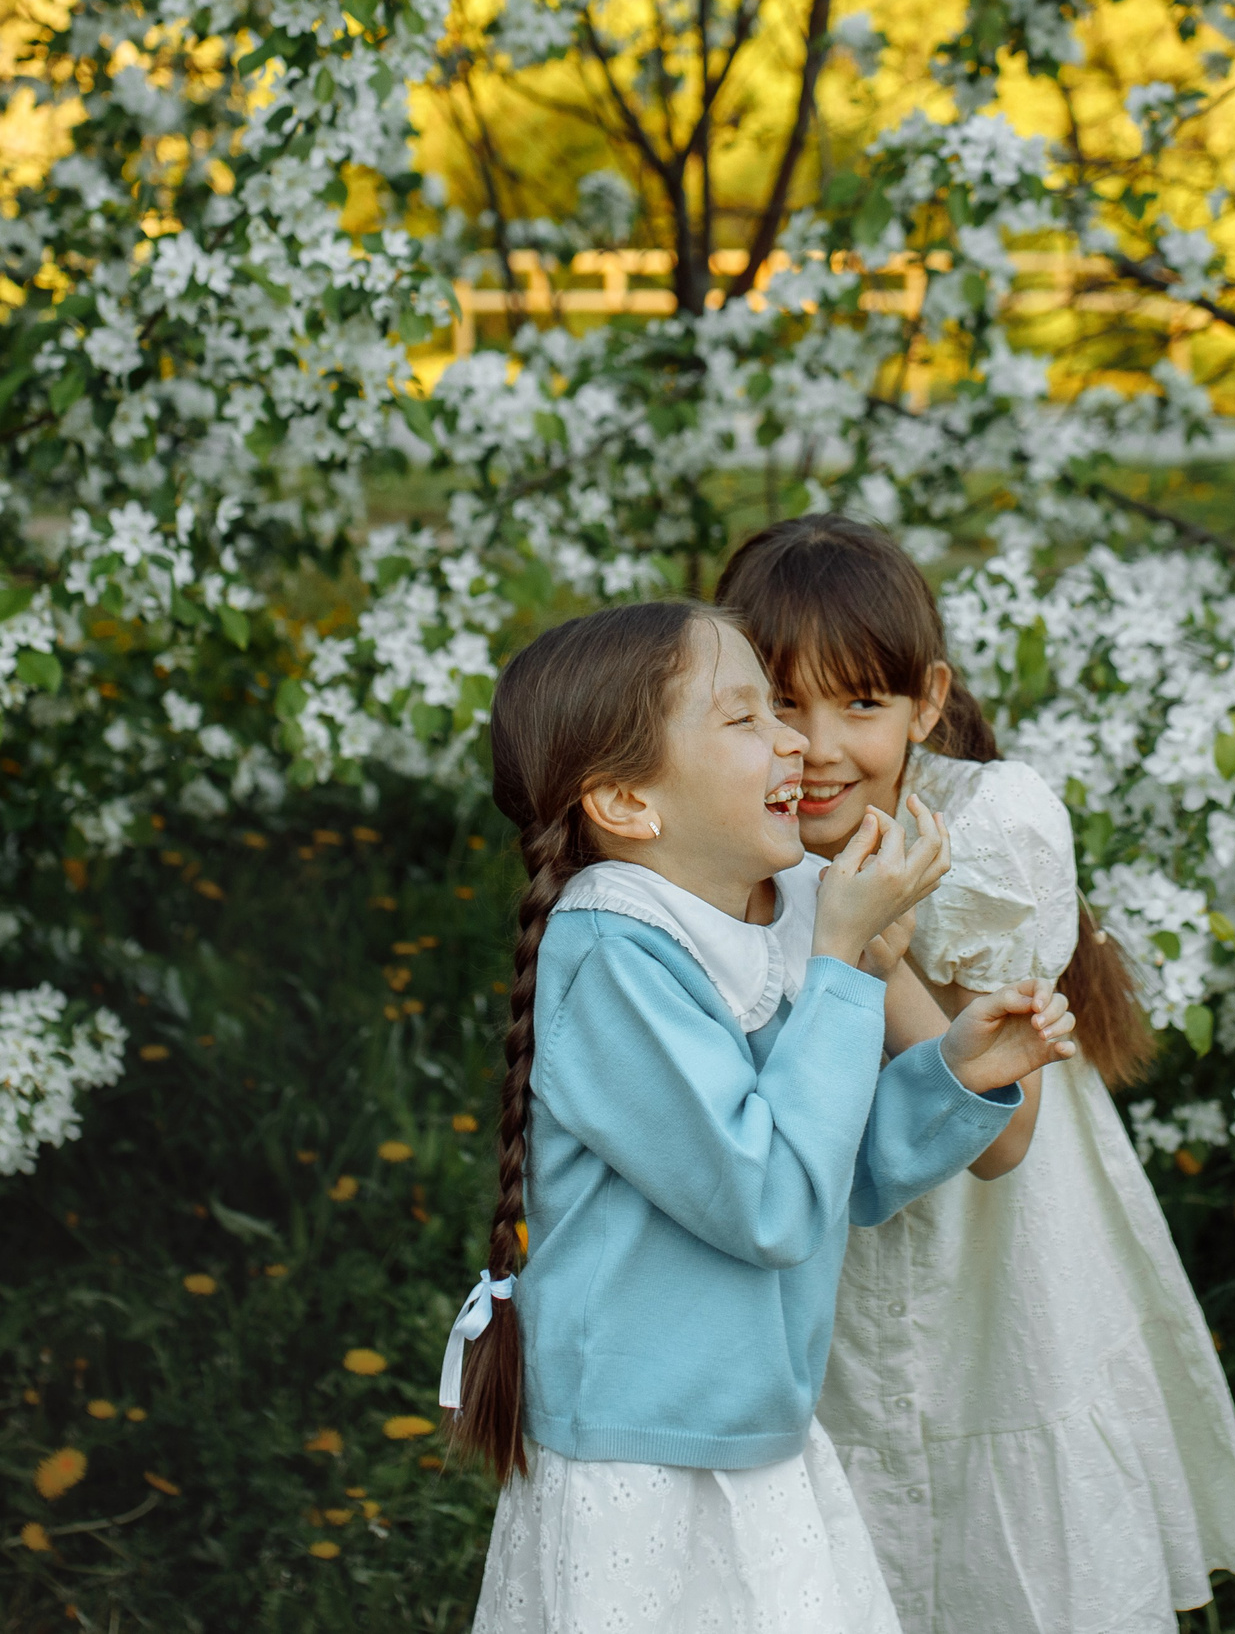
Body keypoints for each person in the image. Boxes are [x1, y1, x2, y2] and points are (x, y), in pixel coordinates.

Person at [448, 599, 1084, 1634]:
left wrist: (954, 1077)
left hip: (754, 1431)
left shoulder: (781, 910)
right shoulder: (614, 954)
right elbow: (769, 1204)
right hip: (645, 1455)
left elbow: (830, 1174)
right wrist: (842, 965)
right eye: (745, 719)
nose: (793, 739)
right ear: (625, 800)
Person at [717, 515, 1235, 1634]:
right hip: (820, 1218)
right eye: (778, 703)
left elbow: (1002, 1135)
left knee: (986, 1521)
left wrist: (869, 951)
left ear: (925, 701)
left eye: (858, 705)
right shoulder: (723, 831)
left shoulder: (991, 832)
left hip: (988, 1246)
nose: (816, 747)